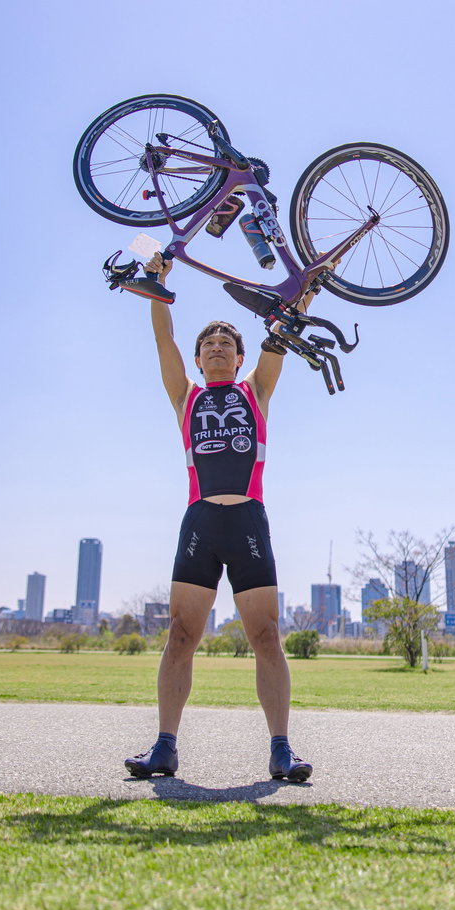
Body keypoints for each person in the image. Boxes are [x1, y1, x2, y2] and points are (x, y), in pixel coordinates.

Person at [124, 251, 312, 783]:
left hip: (248, 523)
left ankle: (280, 750)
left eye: (225, 344)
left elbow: (283, 329)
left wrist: (306, 289)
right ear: (199, 358)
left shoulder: (257, 390)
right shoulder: (184, 396)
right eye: (207, 345)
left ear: (238, 355)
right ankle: (165, 747)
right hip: (200, 526)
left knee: (267, 636)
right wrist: (158, 284)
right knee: (181, 635)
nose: (216, 349)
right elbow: (164, 341)